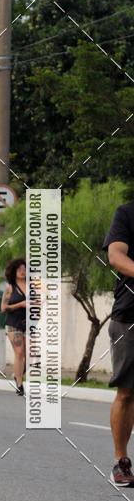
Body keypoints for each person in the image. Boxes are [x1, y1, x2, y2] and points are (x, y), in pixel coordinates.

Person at [103, 202, 134, 485]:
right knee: (127, 392)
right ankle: (121, 461)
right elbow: (116, 255)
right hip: (130, 317)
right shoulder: (126, 213)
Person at [1, 257, 27, 396]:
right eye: (19, 269)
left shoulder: (33, 287)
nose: (22, 272)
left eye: (25, 269)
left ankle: (17, 374)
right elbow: (4, 308)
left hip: (29, 324)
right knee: (19, 352)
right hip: (13, 324)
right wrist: (21, 305)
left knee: (30, 355)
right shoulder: (10, 288)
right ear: (14, 271)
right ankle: (19, 385)